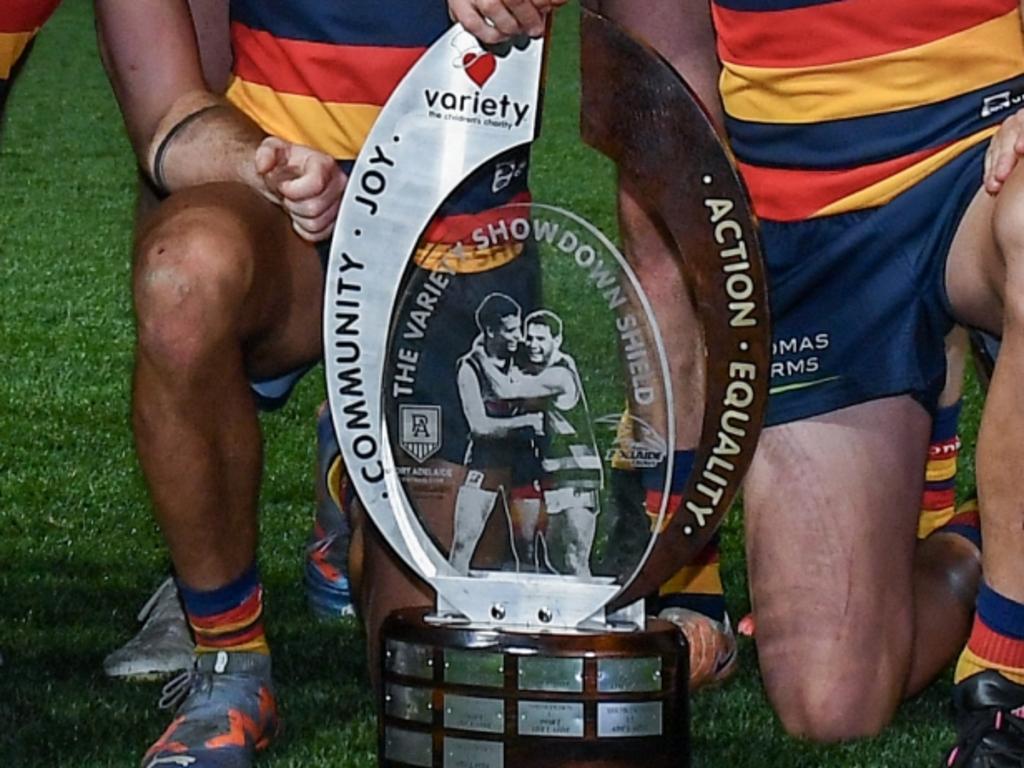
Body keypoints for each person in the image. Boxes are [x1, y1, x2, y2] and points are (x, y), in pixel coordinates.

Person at [452, 0, 1009, 753]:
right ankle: (984, 538)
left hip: (986, 165)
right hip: (816, 237)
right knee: (830, 703)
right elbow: (671, 95)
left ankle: (1005, 684)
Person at [94, 1, 545, 765]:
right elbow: (167, 113)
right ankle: (231, 662)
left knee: (431, 689)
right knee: (183, 279)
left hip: (451, 241)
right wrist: (265, 164)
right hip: (291, 226)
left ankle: (354, 456)